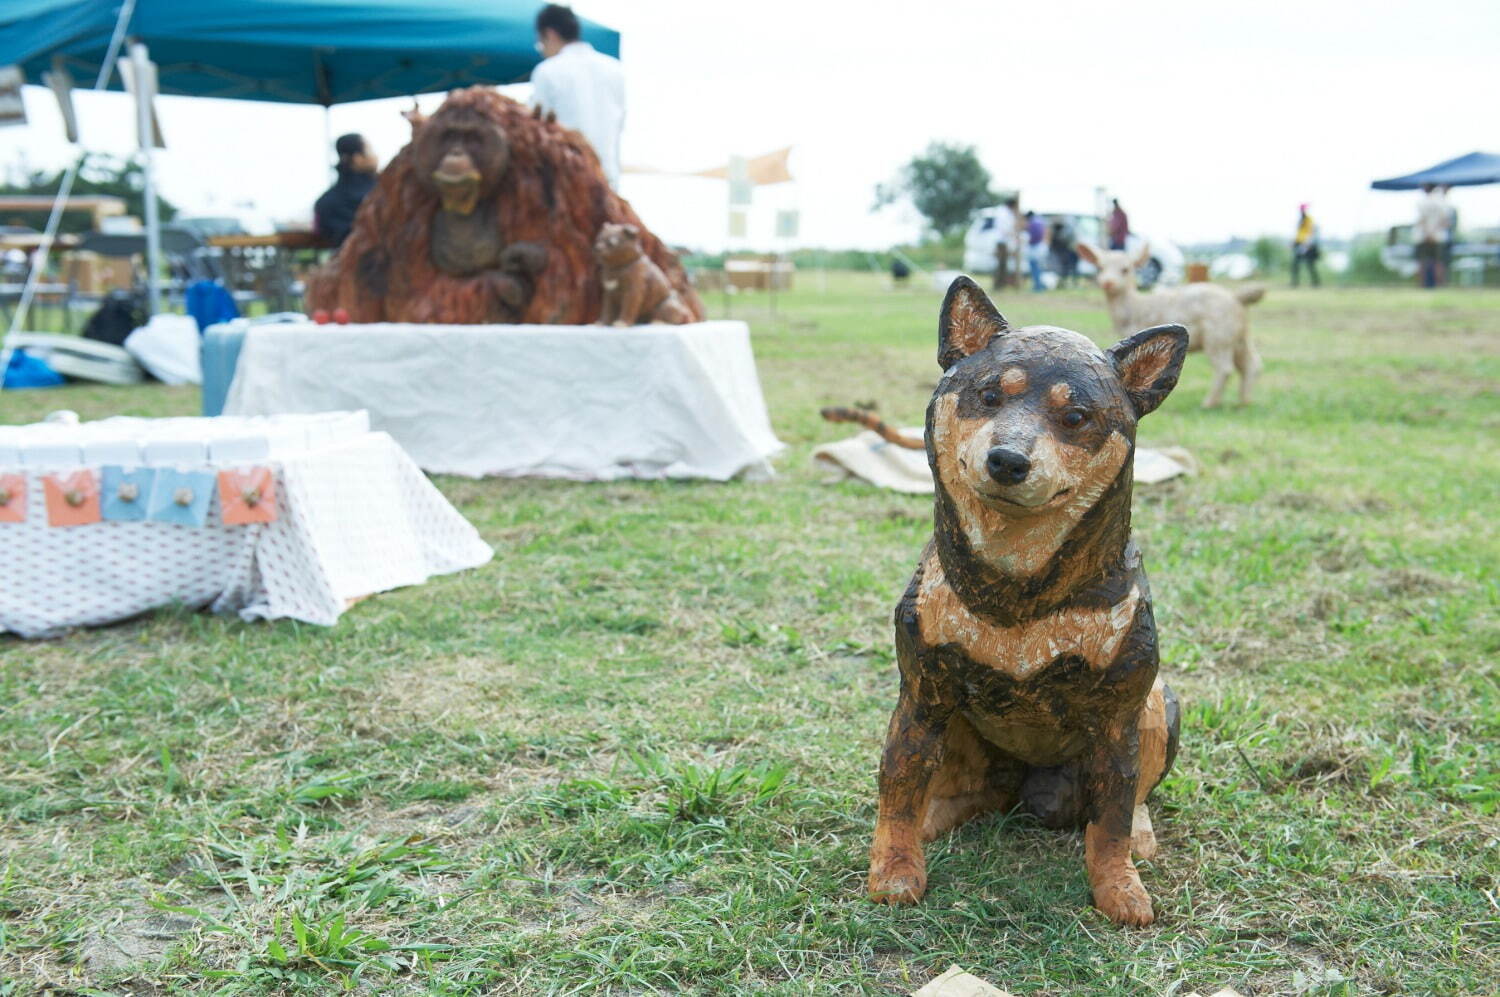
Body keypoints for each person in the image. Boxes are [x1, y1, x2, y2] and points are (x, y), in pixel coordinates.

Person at [532, 4, 625, 188]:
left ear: (550, 34)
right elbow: (620, 123)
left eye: (540, 44)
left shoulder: (548, 71)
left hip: (567, 184)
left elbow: (537, 130)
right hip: (608, 181)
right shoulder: (615, 69)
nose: (542, 50)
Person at [313, 133, 377, 249]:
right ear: (357, 159)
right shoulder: (380, 193)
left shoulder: (325, 202)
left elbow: (320, 230)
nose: (376, 156)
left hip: (345, 263)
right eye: (370, 151)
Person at [1414, 183, 1449, 288]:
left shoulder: (1421, 203)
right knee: (1439, 262)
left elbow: (1421, 220)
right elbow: (1445, 221)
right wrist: (1433, 232)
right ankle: (1439, 285)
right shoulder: (1442, 202)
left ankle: (1422, 285)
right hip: (1439, 236)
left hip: (1422, 236)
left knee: (1421, 262)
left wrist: (1428, 233)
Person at [1291, 203, 1320, 288]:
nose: (1302, 211)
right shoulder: (1300, 220)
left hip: (1307, 244)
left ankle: (1315, 282)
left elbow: (1311, 231)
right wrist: (1294, 242)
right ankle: (1295, 282)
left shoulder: (1309, 219)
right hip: (1299, 243)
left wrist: (1307, 243)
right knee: (1295, 264)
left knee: (1310, 264)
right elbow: (1299, 233)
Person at [991, 197, 1017, 291]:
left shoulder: (1002, 212)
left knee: (1002, 264)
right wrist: (1013, 234)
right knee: (1001, 264)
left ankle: (1000, 284)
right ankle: (998, 285)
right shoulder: (1004, 213)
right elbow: (1005, 228)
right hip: (1002, 241)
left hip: (1002, 241)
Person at [1049, 217, 1078, 288]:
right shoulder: (1065, 230)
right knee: (1064, 270)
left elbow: (1062, 239)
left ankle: (1071, 284)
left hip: (1070, 252)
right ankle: (1064, 283)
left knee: (1070, 269)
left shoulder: (1067, 230)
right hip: (1066, 253)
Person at [1024, 210, 1047, 292]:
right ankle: (1039, 285)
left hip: (1035, 247)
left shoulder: (1033, 223)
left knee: (1035, 267)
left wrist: (1029, 241)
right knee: (1039, 268)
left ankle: (1038, 286)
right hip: (1040, 246)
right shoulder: (1040, 221)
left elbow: (1034, 237)